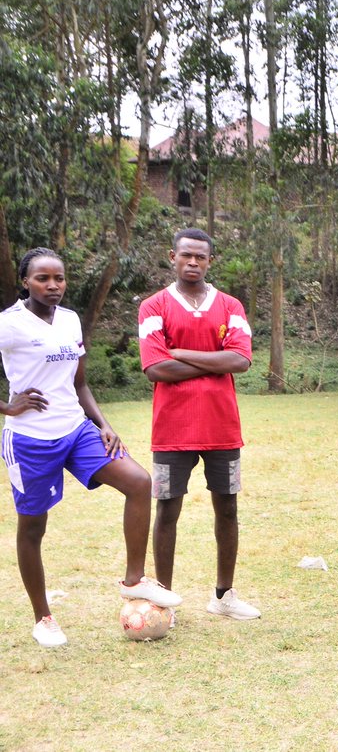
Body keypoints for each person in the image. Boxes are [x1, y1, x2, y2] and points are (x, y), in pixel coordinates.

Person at [2, 248, 180, 647]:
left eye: (59, 278)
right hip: (30, 440)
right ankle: (43, 618)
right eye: (42, 279)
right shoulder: (9, 325)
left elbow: (80, 383)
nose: (53, 286)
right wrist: (7, 406)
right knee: (33, 527)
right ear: (25, 282)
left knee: (138, 481)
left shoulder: (69, 320)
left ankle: (135, 582)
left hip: (76, 429)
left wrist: (104, 425)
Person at [138, 228, 260, 620]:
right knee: (167, 512)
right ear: (171, 256)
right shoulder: (153, 307)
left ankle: (224, 596)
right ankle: (164, 601)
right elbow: (156, 368)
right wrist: (212, 357)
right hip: (171, 431)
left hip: (223, 429)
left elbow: (240, 360)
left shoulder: (231, 306)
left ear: (210, 261)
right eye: (186, 255)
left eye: (200, 257)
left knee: (227, 509)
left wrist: (182, 352)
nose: (193, 262)